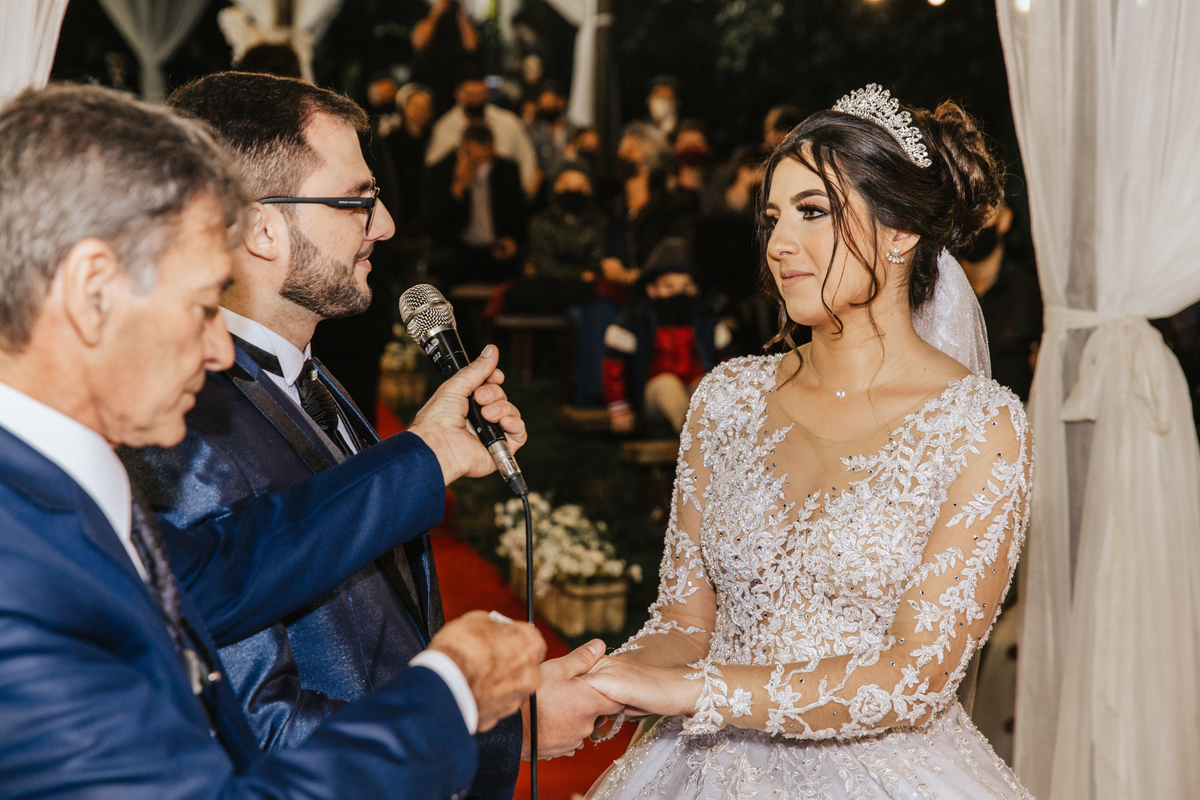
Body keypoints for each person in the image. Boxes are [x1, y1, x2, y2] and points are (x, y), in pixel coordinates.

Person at [0, 82, 544, 798]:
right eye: (201, 304)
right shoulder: (16, 570)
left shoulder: (54, 492)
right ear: (91, 289)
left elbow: (233, 566)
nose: (220, 348)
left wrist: (431, 452)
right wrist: (453, 697)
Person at [120, 72, 616, 799]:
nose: (382, 224)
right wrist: (500, 727)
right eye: (356, 201)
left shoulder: (309, 377)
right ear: (261, 227)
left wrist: (429, 451)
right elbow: (260, 735)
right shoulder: (183, 419)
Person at [579, 85, 1034, 799]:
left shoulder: (980, 425)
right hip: (698, 769)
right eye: (772, 218)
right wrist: (610, 679)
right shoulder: (726, 400)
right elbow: (685, 622)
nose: (779, 243)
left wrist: (698, 693)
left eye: (812, 211)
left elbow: (915, 676)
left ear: (900, 232)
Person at [602, 239, 731, 435]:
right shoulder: (636, 320)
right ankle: (694, 438)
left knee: (708, 384)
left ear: (696, 289)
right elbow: (614, 364)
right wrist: (619, 407)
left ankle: (721, 436)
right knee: (667, 386)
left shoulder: (706, 322)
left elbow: (728, 363)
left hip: (693, 386)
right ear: (651, 290)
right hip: (653, 394)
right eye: (669, 287)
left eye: (686, 286)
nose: (679, 293)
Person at [956, 200, 1042, 403]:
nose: (973, 224)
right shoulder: (937, 290)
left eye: (982, 213)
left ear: (1005, 219)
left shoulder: (1030, 292)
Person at [426, 122, 530, 289]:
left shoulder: (507, 170)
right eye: (476, 159)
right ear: (462, 152)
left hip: (494, 247)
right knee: (446, 264)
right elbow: (433, 223)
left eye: (486, 158)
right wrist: (457, 188)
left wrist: (513, 240)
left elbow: (518, 214)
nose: (482, 164)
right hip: (458, 247)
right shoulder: (442, 170)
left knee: (516, 267)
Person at [506, 161, 605, 314]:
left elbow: (596, 262)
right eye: (566, 184)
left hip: (582, 292)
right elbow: (543, 265)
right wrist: (578, 274)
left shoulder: (599, 223)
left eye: (580, 185)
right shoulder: (540, 221)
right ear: (554, 187)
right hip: (547, 286)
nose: (573, 190)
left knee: (590, 296)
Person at [426, 71, 540, 197]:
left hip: (502, 198)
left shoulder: (509, 122)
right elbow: (433, 167)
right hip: (461, 198)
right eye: (471, 95)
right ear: (458, 95)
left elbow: (527, 160)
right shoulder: (444, 127)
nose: (476, 100)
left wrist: (522, 194)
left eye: (481, 94)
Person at [410, 0, 481, 118]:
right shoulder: (424, 11)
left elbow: (472, 46)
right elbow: (419, 43)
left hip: (455, 79)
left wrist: (460, 13)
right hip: (428, 78)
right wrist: (437, 11)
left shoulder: (462, 15)